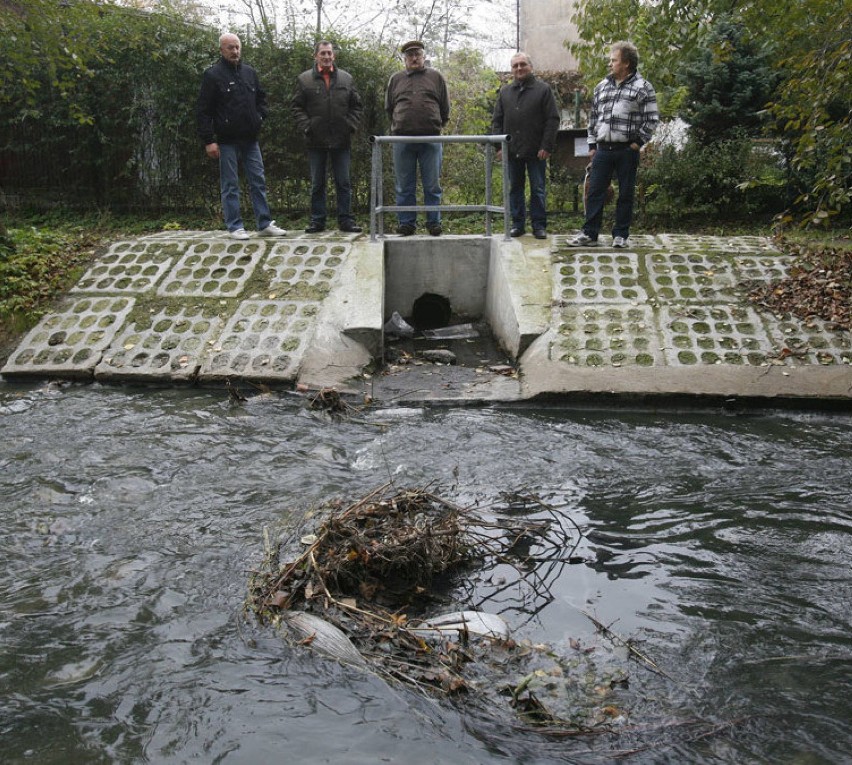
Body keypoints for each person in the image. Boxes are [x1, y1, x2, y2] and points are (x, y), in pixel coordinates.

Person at [197, 33, 286, 240]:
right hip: (226, 141)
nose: (235, 51)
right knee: (230, 185)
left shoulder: (249, 72)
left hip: (250, 140)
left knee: (258, 180)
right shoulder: (213, 75)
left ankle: (264, 223)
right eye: (230, 48)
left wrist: (259, 117)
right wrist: (209, 140)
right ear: (221, 50)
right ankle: (235, 226)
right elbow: (203, 110)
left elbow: (261, 99)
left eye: (237, 47)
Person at [569, 41, 658, 249]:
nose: (610, 64)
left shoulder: (643, 87)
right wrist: (592, 144)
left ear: (626, 63)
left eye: (613, 60)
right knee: (594, 192)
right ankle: (590, 234)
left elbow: (652, 119)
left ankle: (621, 235)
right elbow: (593, 118)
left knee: (626, 193)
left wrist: (638, 143)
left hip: (627, 150)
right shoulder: (601, 87)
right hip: (603, 150)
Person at [291, 41, 364, 234]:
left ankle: (346, 221)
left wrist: (350, 126)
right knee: (317, 183)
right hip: (316, 140)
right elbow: (297, 107)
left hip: (341, 140)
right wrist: (307, 127)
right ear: (315, 56)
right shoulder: (304, 79)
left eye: (329, 53)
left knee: (344, 182)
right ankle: (317, 221)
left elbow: (357, 105)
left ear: (334, 56)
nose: (326, 56)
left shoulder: (347, 79)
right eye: (322, 53)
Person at [385, 40, 450, 237]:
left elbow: (445, 108)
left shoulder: (436, 77)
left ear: (423, 56)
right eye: (410, 55)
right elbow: (389, 108)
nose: (414, 58)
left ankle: (434, 222)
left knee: (432, 185)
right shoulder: (395, 79)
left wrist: (435, 125)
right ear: (405, 58)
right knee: (404, 185)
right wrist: (400, 126)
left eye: (417, 54)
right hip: (402, 140)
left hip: (430, 139)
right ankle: (406, 223)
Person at [491, 52, 560, 240]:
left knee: (538, 189)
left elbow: (552, 120)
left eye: (523, 65)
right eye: (515, 66)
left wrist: (547, 145)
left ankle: (539, 226)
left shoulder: (543, 90)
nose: (519, 68)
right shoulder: (505, 92)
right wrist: (499, 147)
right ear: (511, 70)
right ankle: (518, 225)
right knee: (515, 189)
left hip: (537, 150)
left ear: (530, 67)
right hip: (512, 151)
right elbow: (497, 121)